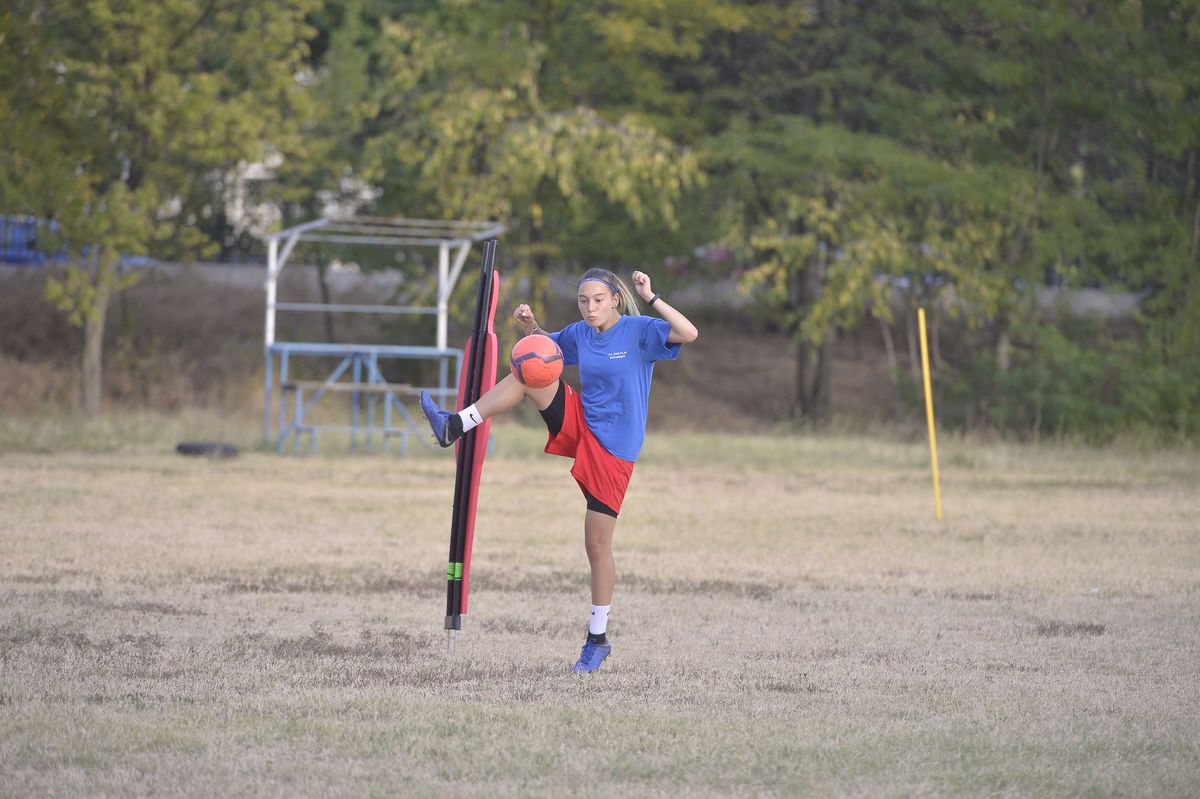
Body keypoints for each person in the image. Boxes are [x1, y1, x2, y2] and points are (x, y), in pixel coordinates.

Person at [420, 267, 699, 673]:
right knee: (530, 370)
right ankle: (455, 425)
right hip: (581, 422)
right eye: (583, 301)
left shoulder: (640, 331)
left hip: (614, 449)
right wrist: (532, 327)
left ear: (615, 300)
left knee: (596, 546)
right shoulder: (580, 333)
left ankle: (598, 638)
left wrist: (652, 296)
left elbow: (688, 333)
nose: (590, 308)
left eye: (598, 300)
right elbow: (547, 352)